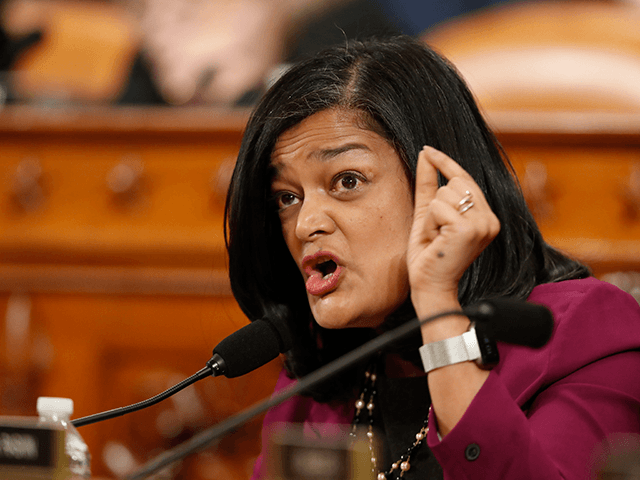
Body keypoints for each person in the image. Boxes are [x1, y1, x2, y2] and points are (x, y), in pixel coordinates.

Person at [224, 35, 640, 479]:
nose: (306, 224)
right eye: (287, 197)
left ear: (442, 186)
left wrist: (438, 303)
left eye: (347, 181)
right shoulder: (321, 374)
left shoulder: (582, 336)